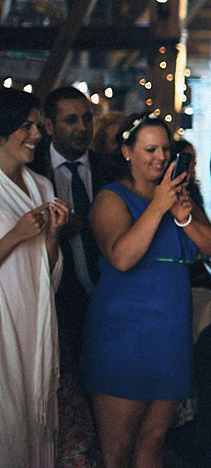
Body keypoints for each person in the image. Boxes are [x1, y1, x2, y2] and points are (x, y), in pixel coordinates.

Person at [83, 114, 211, 468]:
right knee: (117, 449)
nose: (160, 157)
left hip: (171, 333)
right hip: (124, 335)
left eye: (165, 148)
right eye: (150, 149)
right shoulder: (110, 199)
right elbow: (122, 257)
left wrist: (183, 215)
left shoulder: (180, 197)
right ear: (127, 152)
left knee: (154, 441)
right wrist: (158, 205)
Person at [34, 86, 117, 467]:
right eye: (71, 120)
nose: (82, 127)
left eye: (87, 118)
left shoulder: (109, 167)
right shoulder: (32, 172)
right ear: (49, 126)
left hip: (110, 298)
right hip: (54, 302)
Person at [0, 88, 70, 468]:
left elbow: (46, 269)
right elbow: (18, 244)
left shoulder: (42, 186)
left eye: (36, 125)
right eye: (25, 126)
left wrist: (53, 235)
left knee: (34, 414)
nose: (36, 134)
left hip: (36, 315)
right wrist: (16, 235)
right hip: (3, 321)